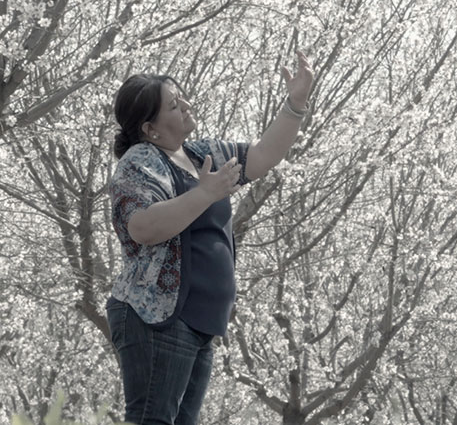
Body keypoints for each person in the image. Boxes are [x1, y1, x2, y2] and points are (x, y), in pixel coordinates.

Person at [106, 51, 314, 424]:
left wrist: (295, 103)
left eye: (182, 96)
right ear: (151, 129)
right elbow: (142, 227)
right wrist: (205, 193)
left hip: (200, 322)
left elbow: (264, 155)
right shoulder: (141, 161)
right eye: (173, 105)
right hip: (157, 315)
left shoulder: (204, 154)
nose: (185, 104)